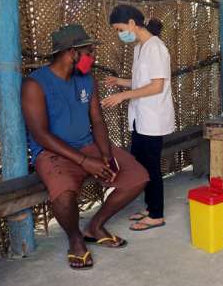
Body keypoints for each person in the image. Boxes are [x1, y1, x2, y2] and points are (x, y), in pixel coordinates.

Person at [21, 24, 149, 270]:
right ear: (72, 53)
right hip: (52, 153)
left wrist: (106, 156)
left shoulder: (86, 80)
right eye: (89, 52)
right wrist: (84, 162)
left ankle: (95, 226)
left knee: (137, 178)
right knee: (64, 196)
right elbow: (40, 134)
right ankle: (75, 239)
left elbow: (98, 120)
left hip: (88, 146)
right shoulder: (35, 84)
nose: (93, 57)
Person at [103, 5, 176, 230]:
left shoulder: (156, 48)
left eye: (119, 28)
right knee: (140, 164)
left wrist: (124, 95)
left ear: (133, 23)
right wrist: (120, 82)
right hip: (140, 118)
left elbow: (156, 86)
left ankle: (156, 215)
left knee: (151, 166)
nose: (119, 34)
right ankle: (150, 206)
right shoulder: (139, 48)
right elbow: (142, 82)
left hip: (153, 118)